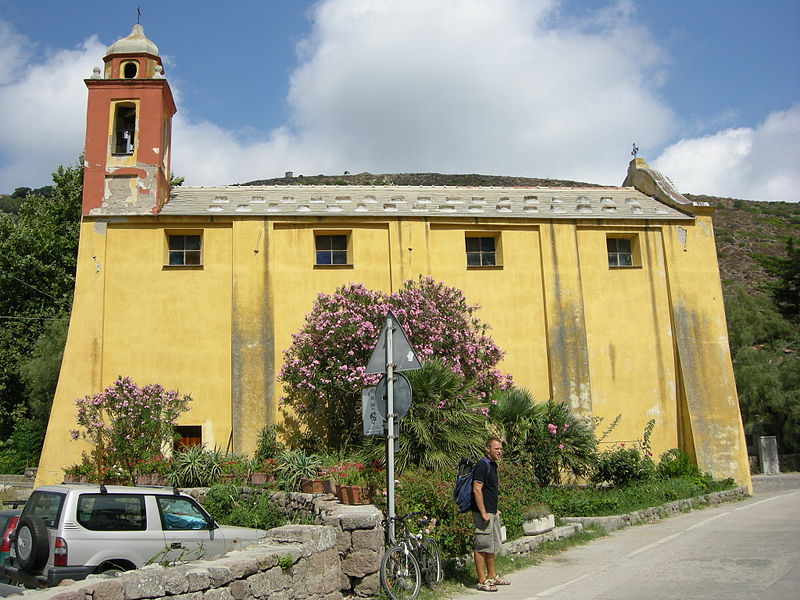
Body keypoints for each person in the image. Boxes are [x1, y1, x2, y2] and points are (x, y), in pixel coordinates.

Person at [472, 437, 510, 591]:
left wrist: (494, 510)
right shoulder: (482, 464)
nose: (499, 451)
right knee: (481, 545)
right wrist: (483, 512)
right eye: (496, 449)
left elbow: (490, 490)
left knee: (491, 544)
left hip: (491, 511)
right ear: (487, 449)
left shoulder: (492, 465)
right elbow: (477, 488)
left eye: (501, 449)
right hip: (483, 513)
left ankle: (492, 576)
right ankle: (482, 580)